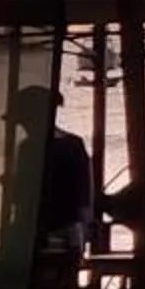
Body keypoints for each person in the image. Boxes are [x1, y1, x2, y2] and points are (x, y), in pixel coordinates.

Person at [32, 90, 92, 254]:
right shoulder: (74, 144)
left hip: (49, 230)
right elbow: (85, 194)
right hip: (69, 230)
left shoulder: (29, 148)